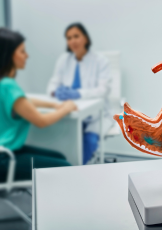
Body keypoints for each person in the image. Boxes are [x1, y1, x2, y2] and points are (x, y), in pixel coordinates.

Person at [0, 28, 77, 183]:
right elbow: (41, 121)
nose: (27, 56)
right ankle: (51, 206)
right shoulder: (7, 85)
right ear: (8, 56)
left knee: (59, 158)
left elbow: (22, 101)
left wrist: (53, 105)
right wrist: (66, 108)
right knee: (64, 167)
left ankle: (47, 203)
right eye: (22, 51)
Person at [47, 23, 113, 164]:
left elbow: (103, 90)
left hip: (96, 115)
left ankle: (78, 172)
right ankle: (66, 169)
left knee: (88, 140)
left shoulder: (101, 61)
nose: (73, 41)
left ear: (86, 38)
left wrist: (78, 93)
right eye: (69, 38)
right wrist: (55, 92)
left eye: (76, 36)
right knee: (61, 140)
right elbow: (52, 85)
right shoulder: (63, 60)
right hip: (72, 111)